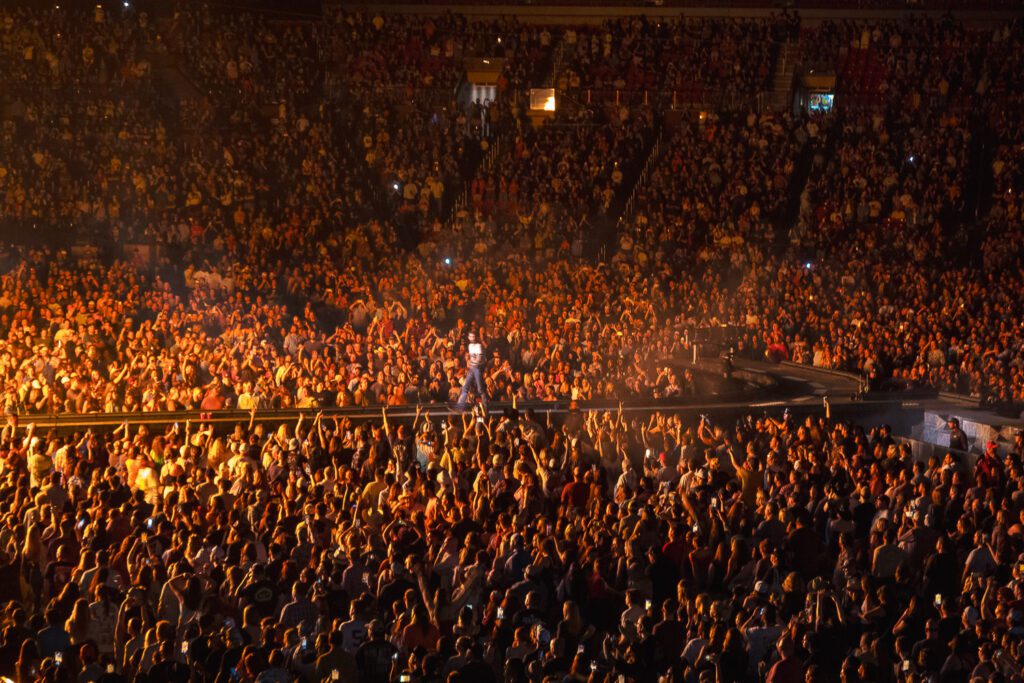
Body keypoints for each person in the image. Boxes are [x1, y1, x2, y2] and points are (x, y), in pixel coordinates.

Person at [456, 331, 488, 412]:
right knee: (465, 387)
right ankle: (460, 406)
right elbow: (472, 357)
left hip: (476, 368)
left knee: (480, 388)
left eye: (472, 336)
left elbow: (479, 358)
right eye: (470, 336)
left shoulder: (478, 346)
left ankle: (485, 405)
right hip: (472, 368)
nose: (471, 338)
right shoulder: (470, 346)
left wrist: (472, 363)